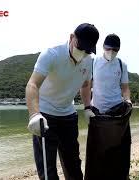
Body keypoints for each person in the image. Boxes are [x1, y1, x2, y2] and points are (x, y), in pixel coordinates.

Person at [25, 23, 99, 180]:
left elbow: (86, 84)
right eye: (81, 47)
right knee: (47, 170)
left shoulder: (87, 60)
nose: (84, 53)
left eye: (88, 50)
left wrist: (87, 107)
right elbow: (32, 84)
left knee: (73, 165)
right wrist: (34, 114)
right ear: (72, 37)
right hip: (45, 116)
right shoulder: (51, 54)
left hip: (68, 117)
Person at [84, 34, 133, 180]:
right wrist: (87, 107)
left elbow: (125, 87)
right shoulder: (93, 62)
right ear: (103, 47)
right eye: (108, 48)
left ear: (119, 50)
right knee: (97, 148)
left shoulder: (121, 65)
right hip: (98, 112)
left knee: (118, 147)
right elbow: (87, 85)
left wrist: (128, 100)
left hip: (118, 110)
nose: (111, 51)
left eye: (115, 49)